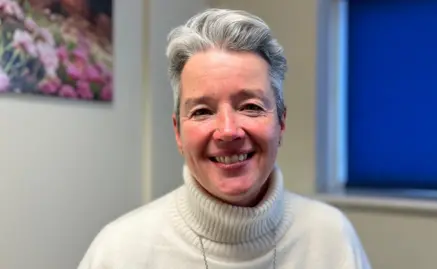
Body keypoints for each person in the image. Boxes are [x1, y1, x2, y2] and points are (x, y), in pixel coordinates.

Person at [77, 8, 371, 269]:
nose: (228, 130)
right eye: (203, 111)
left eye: (250, 107)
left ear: (281, 122)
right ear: (178, 132)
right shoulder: (119, 252)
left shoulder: (332, 238)